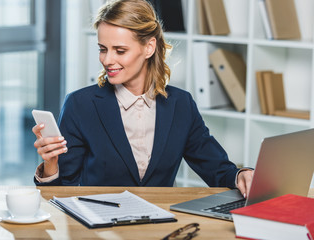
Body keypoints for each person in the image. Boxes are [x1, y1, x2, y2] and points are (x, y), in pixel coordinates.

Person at [32, 0, 253, 197]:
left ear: (149, 47)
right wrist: (50, 165)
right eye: (103, 49)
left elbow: (217, 169)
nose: (107, 60)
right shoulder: (80, 105)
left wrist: (242, 175)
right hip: (100, 226)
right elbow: (62, 193)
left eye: (120, 50)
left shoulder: (181, 104)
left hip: (161, 224)